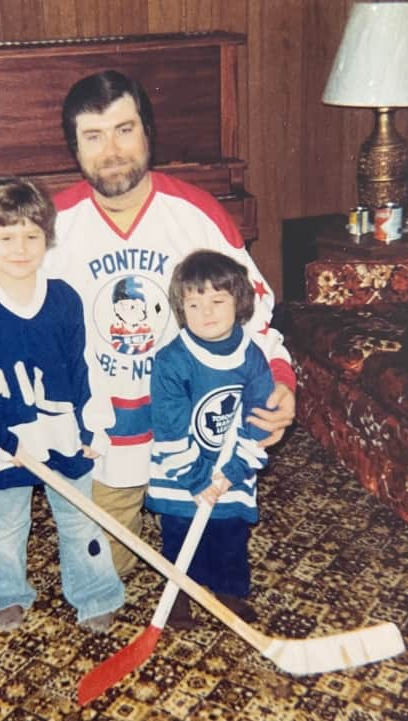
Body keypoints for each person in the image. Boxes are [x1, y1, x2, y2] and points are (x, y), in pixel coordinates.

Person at [0, 70, 296, 577]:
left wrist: (278, 381)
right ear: (74, 148)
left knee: (211, 561)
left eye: (124, 129)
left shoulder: (196, 215)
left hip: (195, 429)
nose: (112, 150)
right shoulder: (51, 229)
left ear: (148, 133)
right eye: (93, 136)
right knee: (102, 573)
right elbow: (0, 324)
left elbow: (255, 317)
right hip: (103, 433)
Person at [0, 176, 124, 633]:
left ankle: (95, 592)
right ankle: (4, 592)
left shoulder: (64, 298)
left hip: (63, 434)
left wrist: (93, 427)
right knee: (6, 523)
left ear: (47, 238)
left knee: (81, 519)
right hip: (6, 439)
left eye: (31, 235)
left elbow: (85, 366)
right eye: (7, 237)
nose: (20, 248)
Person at [146, 250, 274, 628]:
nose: (207, 312)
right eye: (194, 303)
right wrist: (197, 478)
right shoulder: (172, 360)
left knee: (230, 533)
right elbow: (169, 428)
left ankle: (229, 590)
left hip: (230, 468)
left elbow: (260, 416)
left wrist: (235, 469)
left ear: (239, 302)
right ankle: (178, 596)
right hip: (181, 469)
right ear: (182, 309)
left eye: (218, 300)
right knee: (180, 535)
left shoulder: (251, 356)